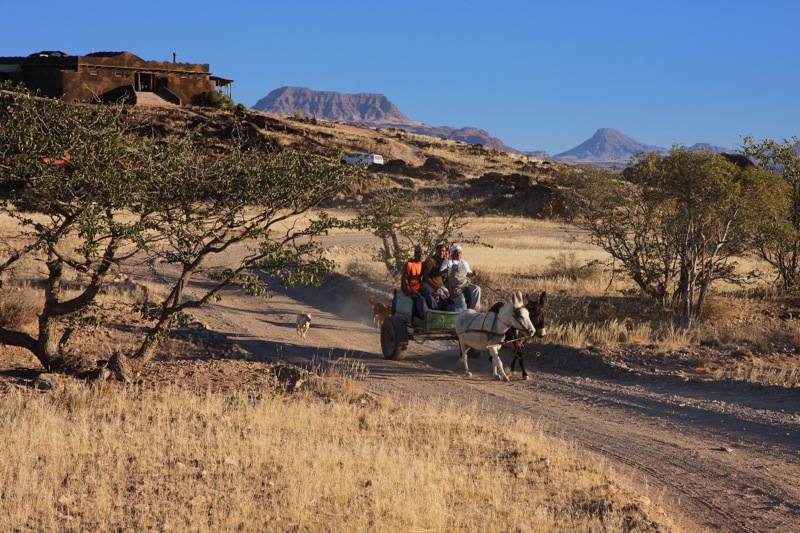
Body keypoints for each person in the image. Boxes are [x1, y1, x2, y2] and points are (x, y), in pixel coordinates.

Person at [440, 244, 481, 311]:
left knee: (476, 289)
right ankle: (464, 314)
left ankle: (474, 310)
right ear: (453, 253)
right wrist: (445, 271)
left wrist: (473, 274)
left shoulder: (464, 262)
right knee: (462, 301)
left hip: (465, 284)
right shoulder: (447, 262)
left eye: (460, 252)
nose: (458, 254)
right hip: (454, 287)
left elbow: (468, 273)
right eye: (456, 252)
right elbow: (441, 272)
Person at [419, 243, 449, 311]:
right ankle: (434, 314)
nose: (441, 253)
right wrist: (434, 286)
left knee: (446, 295)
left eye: (443, 251)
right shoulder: (431, 261)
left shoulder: (444, 262)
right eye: (440, 251)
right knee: (436, 296)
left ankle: (444, 314)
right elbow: (426, 277)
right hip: (429, 283)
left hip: (439, 284)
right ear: (436, 251)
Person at [400, 244, 426, 319]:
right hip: (411, 288)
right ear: (415, 254)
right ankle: (425, 319)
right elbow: (404, 280)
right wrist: (409, 293)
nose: (421, 256)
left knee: (430, 297)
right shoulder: (409, 264)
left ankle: (434, 316)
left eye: (423, 254)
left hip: (418, 287)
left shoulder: (422, 264)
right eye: (420, 254)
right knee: (421, 299)